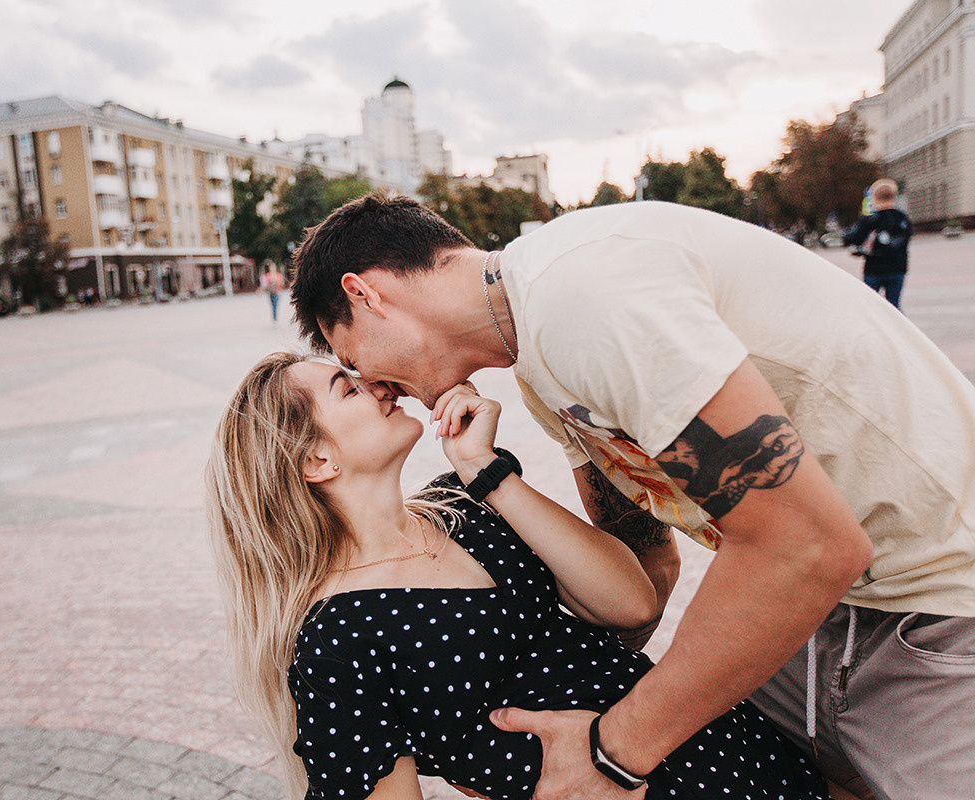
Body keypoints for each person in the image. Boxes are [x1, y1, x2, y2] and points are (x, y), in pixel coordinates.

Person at [289, 193, 975, 800]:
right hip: (818, 611)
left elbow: (809, 545)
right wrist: (520, 745)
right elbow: (651, 569)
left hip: (942, 597)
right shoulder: (541, 364)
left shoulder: (585, 296)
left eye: (351, 359)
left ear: (367, 294)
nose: (375, 381)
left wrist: (609, 756)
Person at [206, 352, 832, 800]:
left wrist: (488, 472)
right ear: (316, 459)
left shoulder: (466, 504)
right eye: (347, 388)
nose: (377, 384)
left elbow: (632, 602)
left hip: (715, 743)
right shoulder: (336, 637)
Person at [842, 179, 912, 308]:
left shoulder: (870, 220)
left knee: (870, 307)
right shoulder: (903, 218)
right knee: (894, 306)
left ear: (874, 197)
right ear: (893, 196)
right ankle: (895, 328)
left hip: (874, 269)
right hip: (898, 268)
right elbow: (905, 240)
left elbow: (854, 239)